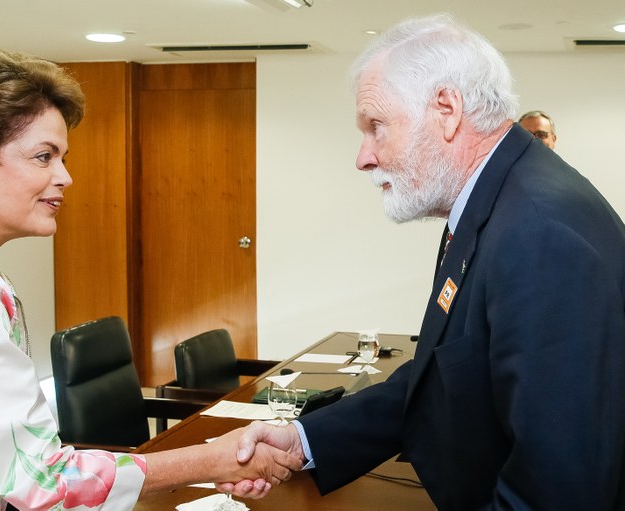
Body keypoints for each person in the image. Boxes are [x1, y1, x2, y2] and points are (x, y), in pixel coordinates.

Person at [0, 51, 299, 510]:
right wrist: (214, 460)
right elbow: (41, 482)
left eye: (62, 158)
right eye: (43, 157)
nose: (65, 177)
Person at [223, 13, 625, 510]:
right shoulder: (491, 201)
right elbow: (439, 375)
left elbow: (561, 492)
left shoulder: (539, 234)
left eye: (376, 127)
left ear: (446, 109)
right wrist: (306, 440)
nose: (363, 157)